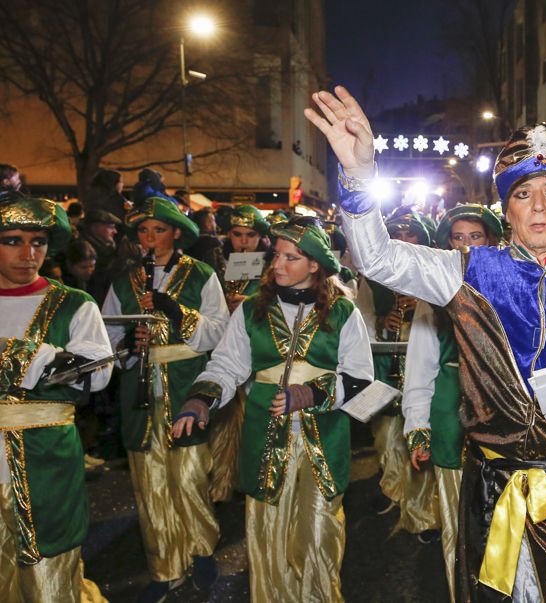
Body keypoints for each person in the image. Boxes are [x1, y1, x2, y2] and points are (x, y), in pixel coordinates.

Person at [306, 86, 546, 602]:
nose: (538, 208)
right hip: (492, 492)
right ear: (508, 207)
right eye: (523, 195)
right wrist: (361, 177)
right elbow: (379, 259)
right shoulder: (468, 271)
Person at [172, 217, 373, 602]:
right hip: (264, 438)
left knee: (319, 533)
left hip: (323, 441)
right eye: (276, 256)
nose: (277, 265)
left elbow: (361, 379)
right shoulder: (251, 310)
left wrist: (313, 394)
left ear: (315, 264)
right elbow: (227, 365)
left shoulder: (344, 312)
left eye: (291, 258)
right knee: (267, 533)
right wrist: (201, 398)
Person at [101, 197, 227, 602]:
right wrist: (129, 347)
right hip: (141, 389)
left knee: (190, 476)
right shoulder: (124, 281)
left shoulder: (201, 274)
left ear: (176, 233)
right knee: (149, 482)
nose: (149, 238)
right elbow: (106, 340)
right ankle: (164, 567)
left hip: (186, 384)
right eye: (142, 230)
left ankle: (202, 549)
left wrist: (179, 314)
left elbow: (219, 332)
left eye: (158, 229)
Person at [0, 197, 112, 603]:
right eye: (12, 240)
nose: (28, 254)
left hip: (46, 458)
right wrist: (47, 361)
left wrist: (22, 355)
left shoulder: (74, 304)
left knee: (51, 575)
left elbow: (95, 374)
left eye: (39, 242)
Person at [403, 203, 503, 601]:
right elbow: (420, 366)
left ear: (492, 242)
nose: (465, 247)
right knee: (458, 529)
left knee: (503, 526)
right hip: (450, 421)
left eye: (475, 237)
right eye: (457, 238)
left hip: (503, 422)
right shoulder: (435, 295)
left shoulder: (512, 285)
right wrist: (417, 426)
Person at [356, 212, 439, 539]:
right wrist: (381, 322)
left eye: (411, 236)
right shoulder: (372, 276)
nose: (404, 243)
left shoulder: (436, 272)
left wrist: (422, 307)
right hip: (386, 366)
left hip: (423, 369)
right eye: (397, 236)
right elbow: (358, 321)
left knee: (420, 436)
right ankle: (392, 488)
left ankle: (421, 511)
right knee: (388, 434)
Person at [208, 204, 271, 503]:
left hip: (259, 356)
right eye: (237, 234)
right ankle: (223, 481)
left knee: (253, 423)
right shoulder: (219, 268)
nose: (244, 241)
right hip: (224, 352)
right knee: (224, 421)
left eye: (250, 235)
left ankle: (253, 480)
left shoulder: (274, 269)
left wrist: (254, 302)